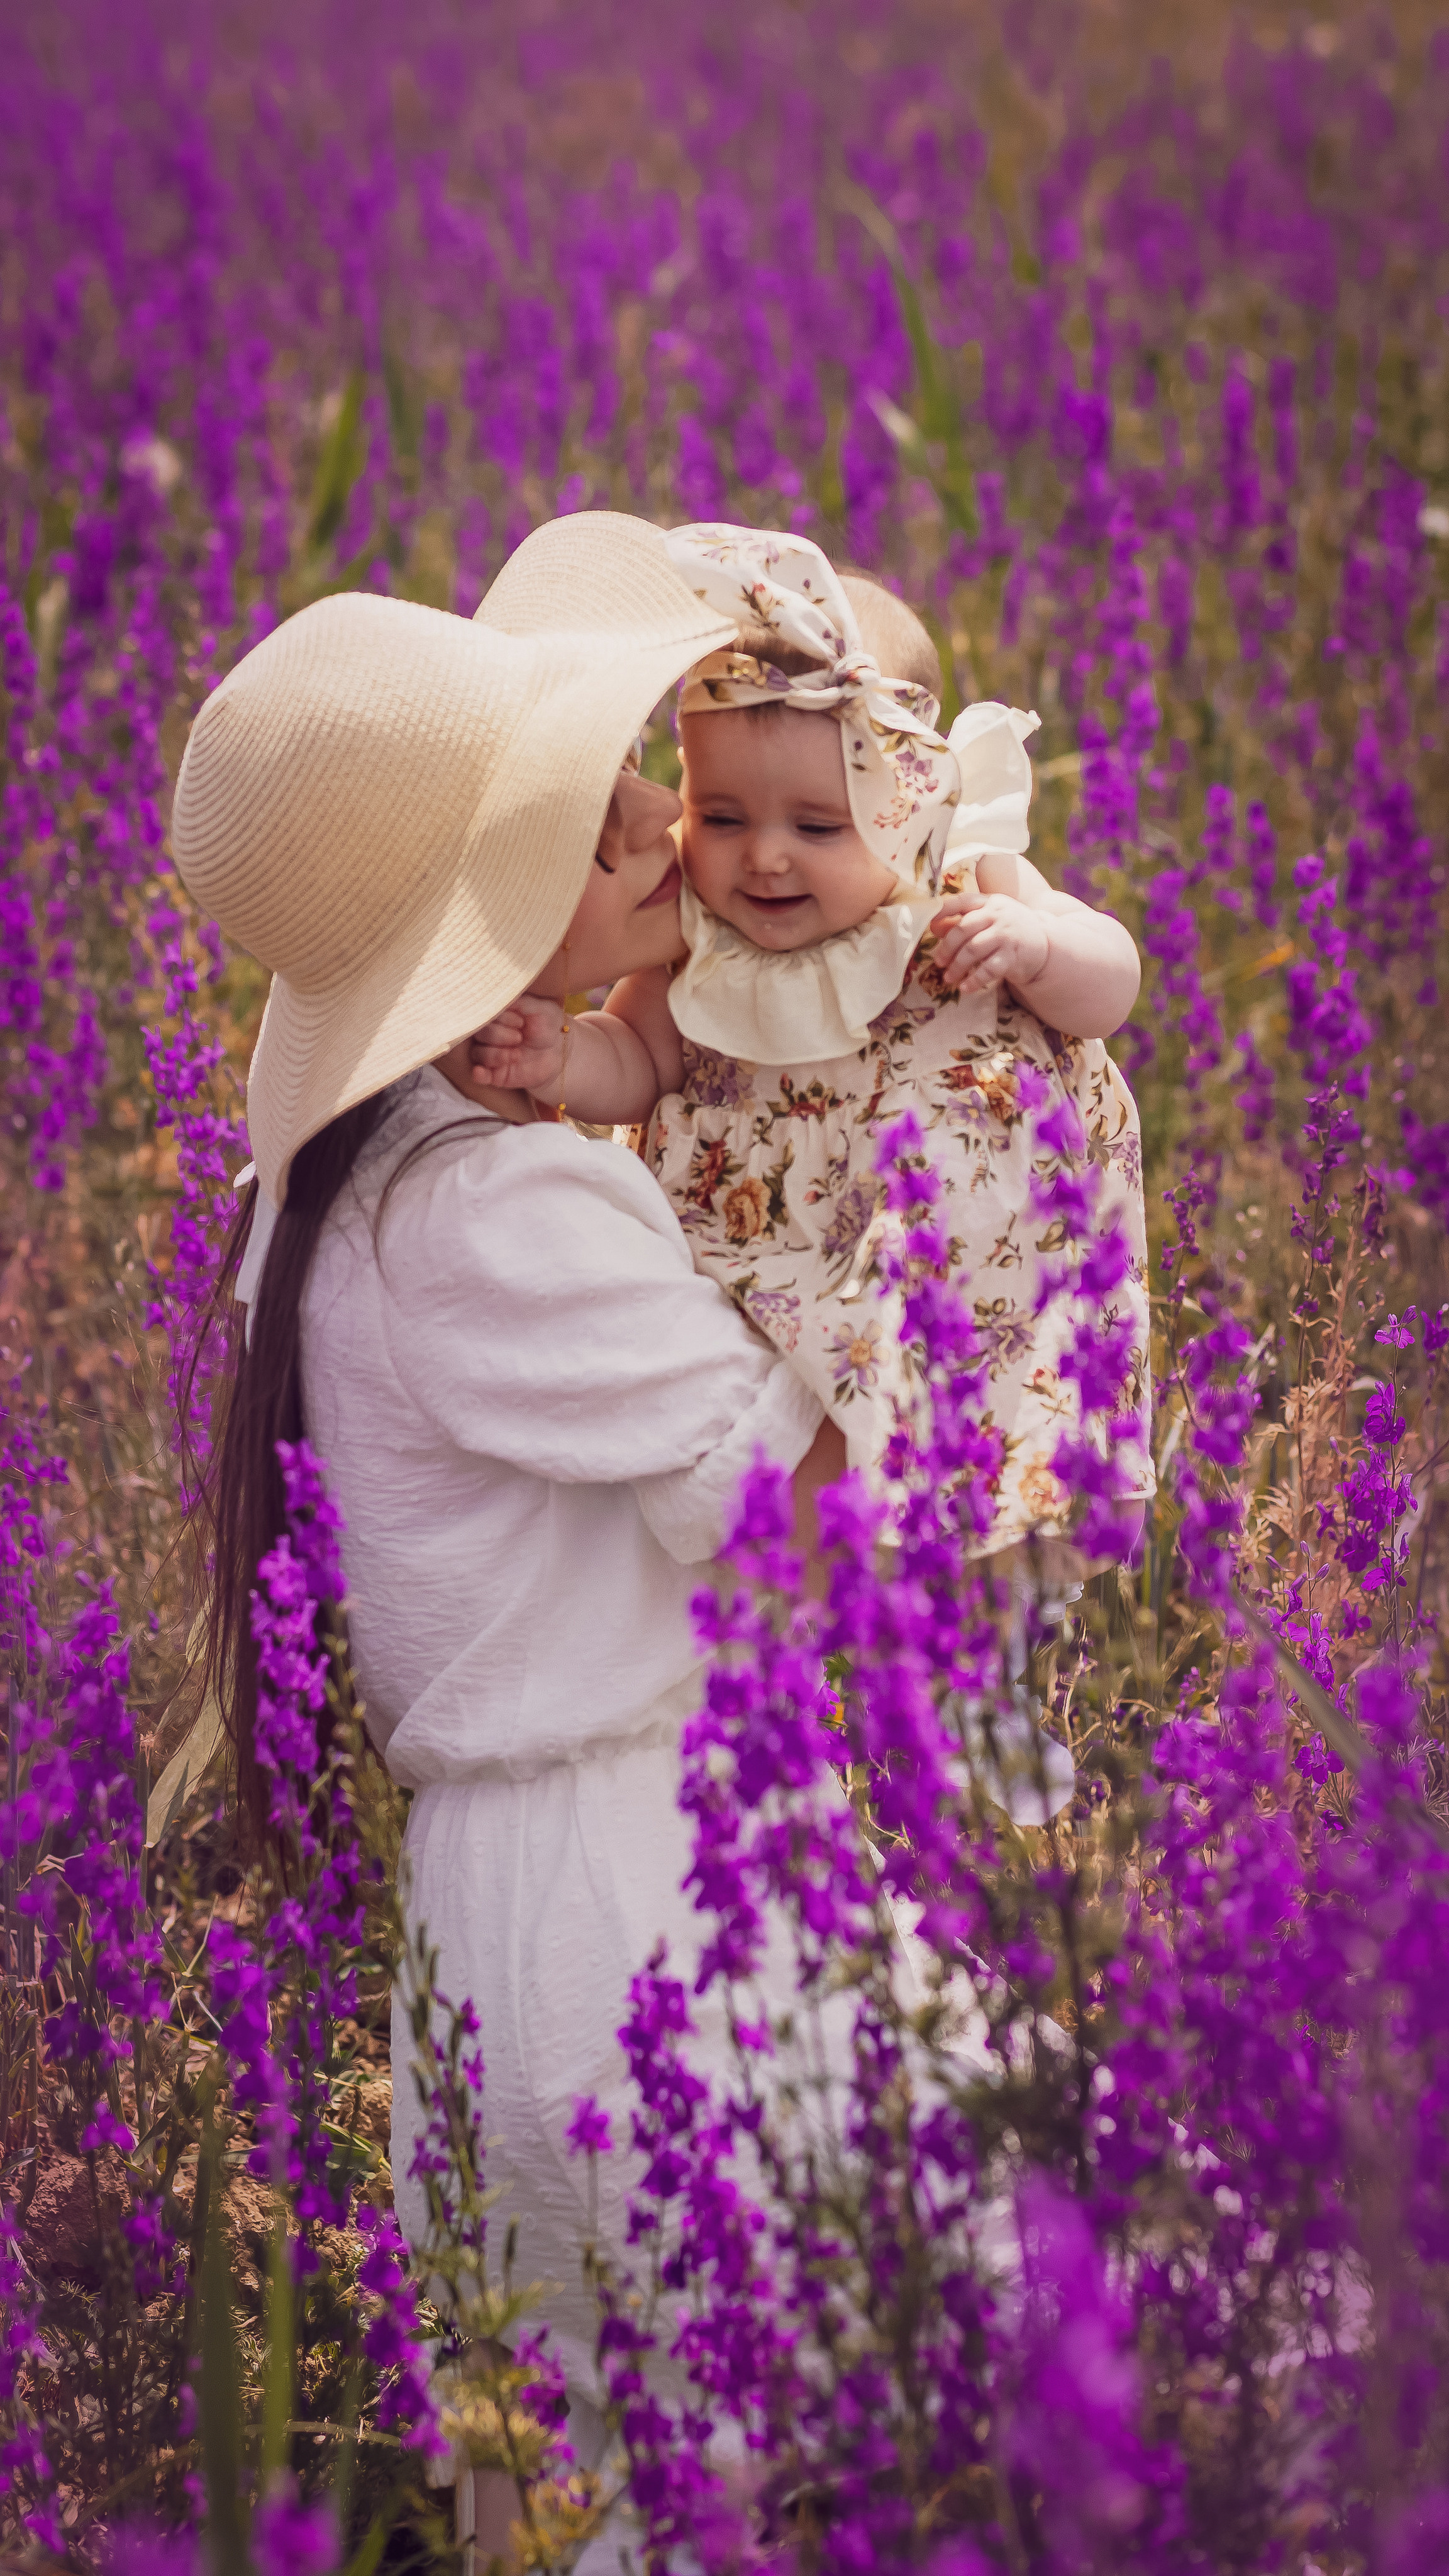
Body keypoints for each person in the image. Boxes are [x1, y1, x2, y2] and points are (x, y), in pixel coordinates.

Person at [170, 514, 847, 2563]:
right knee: (707, 2476)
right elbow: (795, 1532)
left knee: (575, 2487)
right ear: (481, 922)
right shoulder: (498, 1209)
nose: (657, 815)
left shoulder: (340, 1194)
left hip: (515, 1916)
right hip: (634, 1908)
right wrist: (912, 1195)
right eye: (591, 803)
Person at [473, 524, 1153, 1558]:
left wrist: (1039, 947)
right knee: (813, 1510)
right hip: (771, 1294)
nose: (768, 859)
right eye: (724, 817)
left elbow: (1113, 986)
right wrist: (566, 1060)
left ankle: (990, 1636)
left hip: (961, 1289)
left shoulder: (968, 892)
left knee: (986, 1492)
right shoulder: (697, 947)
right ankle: (845, 1644)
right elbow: (641, 1060)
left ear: (906, 813)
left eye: (820, 827)